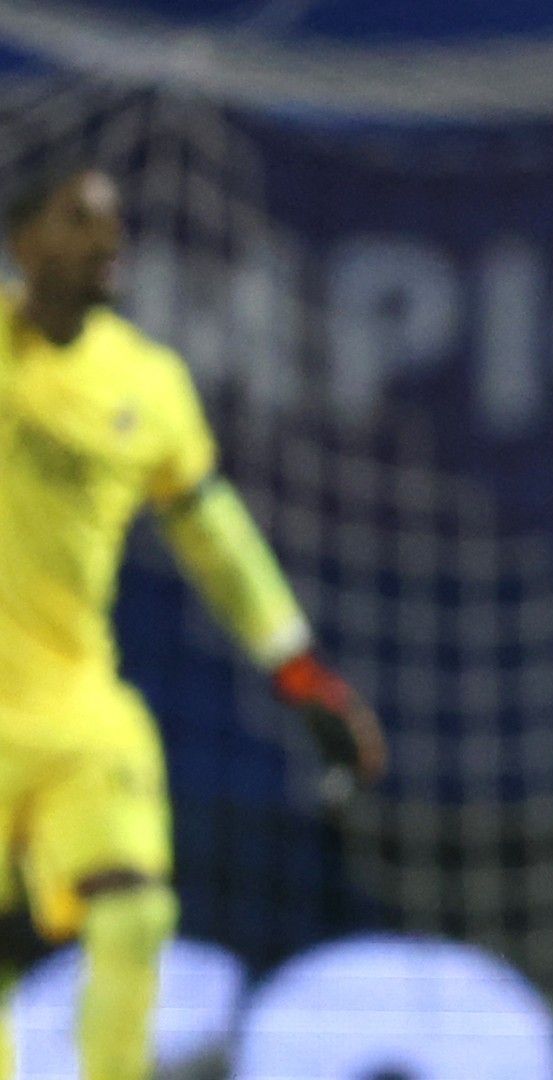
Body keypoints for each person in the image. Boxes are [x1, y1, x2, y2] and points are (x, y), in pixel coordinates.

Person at [0, 166, 386, 1080]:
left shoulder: (149, 382)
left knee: (136, 914)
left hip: (75, 697)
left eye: (115, 222)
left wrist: (303, 677)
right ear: (24, 243)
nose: (108, 240)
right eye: (78, 219)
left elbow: (216, 538)